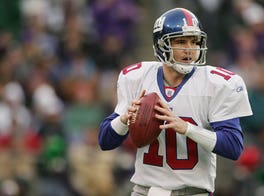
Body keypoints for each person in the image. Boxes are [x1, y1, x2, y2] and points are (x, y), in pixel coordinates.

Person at [98, 8, 253, 195]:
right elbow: (105, 141)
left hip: (192, 192)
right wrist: (124, 119)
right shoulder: (137, 77)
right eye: (181, 41)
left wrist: (187, 128)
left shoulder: (218, 83)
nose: (190, 49)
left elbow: (233, 147)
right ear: (161, 45)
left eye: (194, 42)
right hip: (144, 191)